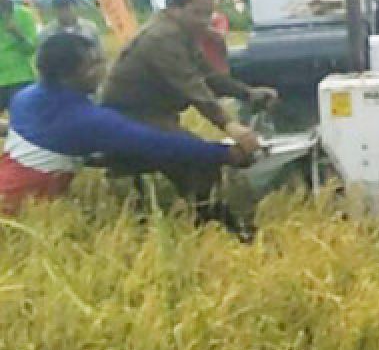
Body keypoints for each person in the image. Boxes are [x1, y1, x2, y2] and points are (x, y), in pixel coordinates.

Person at [0, 33, 252, 219]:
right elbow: (160, 143)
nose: (103, 69)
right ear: (68, 76)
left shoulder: (26, 97)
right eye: (94, 65)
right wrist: (223, 153)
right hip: (18, 208)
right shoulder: (87, 120)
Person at [100, 0, 277, 229]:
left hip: (155, 117)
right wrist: (231, 126)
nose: (204, 21)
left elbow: (208, 76)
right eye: (197, 13)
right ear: (174, 7)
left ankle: (208, 216)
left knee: (200, 157)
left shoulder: (183, 33)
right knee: (201, 158)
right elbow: (192, 87)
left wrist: (248, 93)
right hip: (130, 120)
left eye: (208, 14)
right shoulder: (162, 37)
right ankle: (209, 222)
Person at [0, 0, 39, 112]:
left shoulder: (24, 15)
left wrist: (18, 34)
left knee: (23, 123)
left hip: (20, 78)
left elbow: (32, 49)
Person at [36, 0, 101, 46]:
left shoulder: (90, 28)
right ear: (54, 10)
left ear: (75, 6)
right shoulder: (47, 33)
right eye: (60, 7)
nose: (64, 10)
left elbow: (99, 53)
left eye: (67, 6)